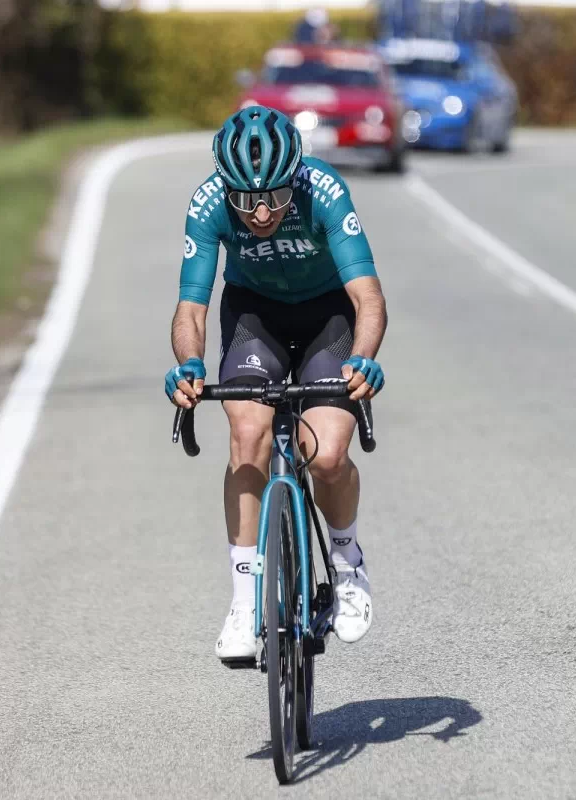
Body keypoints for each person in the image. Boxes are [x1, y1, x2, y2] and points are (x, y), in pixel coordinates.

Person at [165, 106, 388, 662]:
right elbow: (191, 309)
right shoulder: (208, 202)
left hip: (326, 319)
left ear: (295, 180)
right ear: (227, 187)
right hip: (254, 317)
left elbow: (368, 298)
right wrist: (190, 365)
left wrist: (363, 359)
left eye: (275, 199)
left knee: (329, 454)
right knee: (247, 434)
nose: (261, 212)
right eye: (245, 200)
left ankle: (346, 564)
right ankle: (244, 603)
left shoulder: (325, 191)